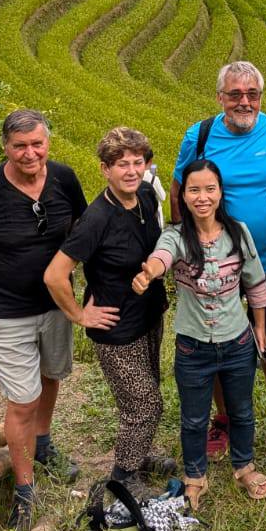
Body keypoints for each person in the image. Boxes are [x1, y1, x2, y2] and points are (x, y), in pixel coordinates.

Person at [0, 109, 87, 531]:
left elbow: (80, 230)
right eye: (20, 146)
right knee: (23, 399)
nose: (30, 153)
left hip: (54, 305)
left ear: (48, 142)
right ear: (6, 148)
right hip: (3, 313)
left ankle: (42, 443)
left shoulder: (64, 179)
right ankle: (24, 490)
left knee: (50, 375)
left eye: (37, 144)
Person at [171, 61, 266, 456]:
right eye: (235, 94)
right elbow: (179, 191)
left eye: (252, 94)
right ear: (220, 97)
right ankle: (224, 418)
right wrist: (184, 251)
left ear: (261, 97)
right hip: (216, 263)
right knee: (217, 340)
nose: (244, 102)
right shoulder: (200, 135)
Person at [134, 159, 266, 506]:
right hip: (193, 348)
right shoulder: (176, 236)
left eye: (210, 189)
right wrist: (149, 272)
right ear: (183, 195)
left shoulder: (238, 232)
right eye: (194, 190)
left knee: (242, 411)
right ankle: (195, 477)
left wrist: (259, 327)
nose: (202, 197)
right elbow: (162, 257)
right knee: (194, 418)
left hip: (238, 342)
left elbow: (255, 282)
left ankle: (245, 467)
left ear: (221, 192)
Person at [44, 127, 173, 491]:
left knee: (148, 392)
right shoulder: (97, 219)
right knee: (143, 404)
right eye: (121, 164)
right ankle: (124, 476)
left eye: (137, 162)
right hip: (116, 330)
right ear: (105, 169)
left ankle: (140, 454)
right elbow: (54, 275)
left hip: (148, 315)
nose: (131, 171)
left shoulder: (145, 195)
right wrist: (78, 314)